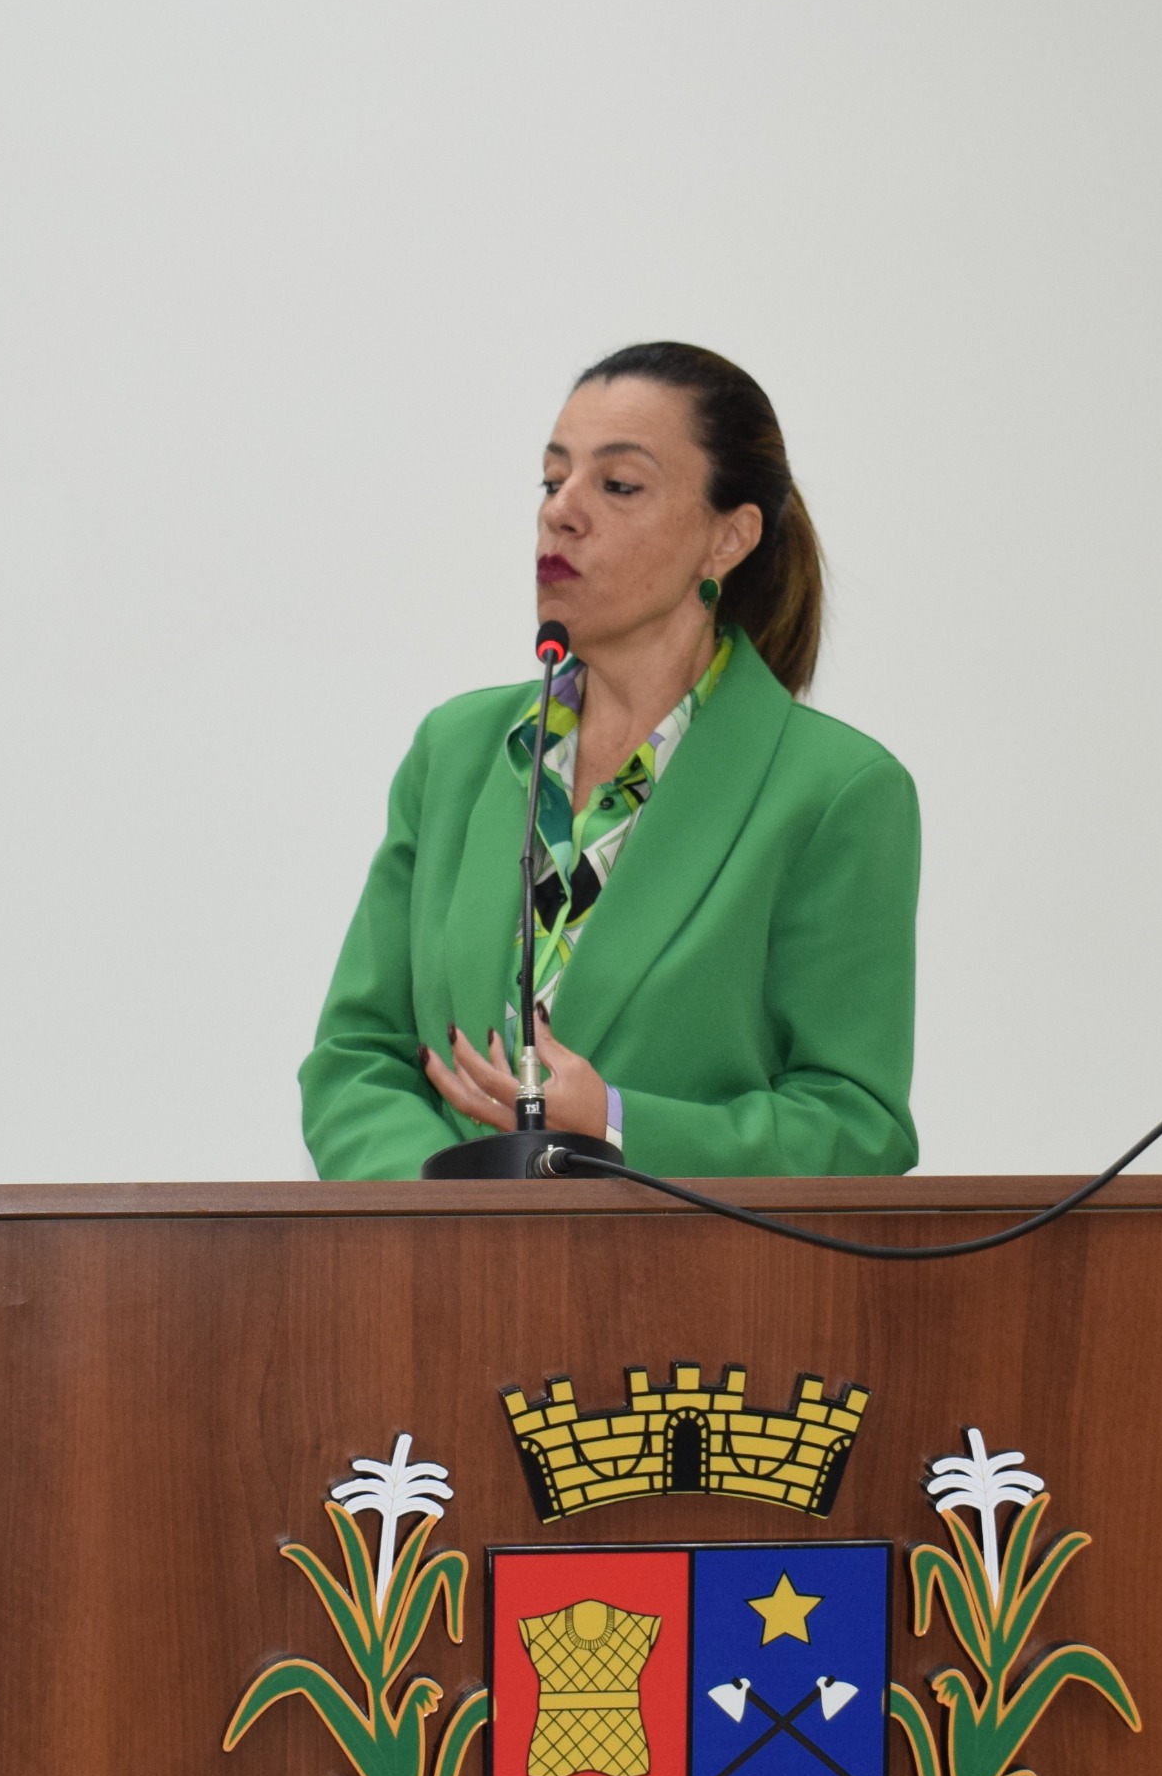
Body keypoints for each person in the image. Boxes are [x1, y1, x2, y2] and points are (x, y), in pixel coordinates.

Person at [299, 341, 924, 1179]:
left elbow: (854, 1128)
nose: (562, 511)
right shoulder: (454, 753)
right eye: (553, 480)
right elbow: (354, 1057)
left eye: (618, 485)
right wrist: (445, 1209)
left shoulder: (836, 792)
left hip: (681, 1294)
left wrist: (615, 1125)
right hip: (441, 1290)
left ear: (728, 539)